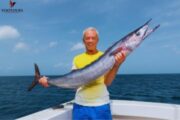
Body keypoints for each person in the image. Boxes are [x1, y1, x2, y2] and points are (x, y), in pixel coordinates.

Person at [39, 27, 126, 120]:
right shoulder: (77, 58)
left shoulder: (105, 56)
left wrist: (117, 65)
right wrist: (48, 81)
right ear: (83, 41)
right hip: (80, 106)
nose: (90, 40)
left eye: (93, 38)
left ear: (97, 40)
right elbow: (71, 81)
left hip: (101, 105)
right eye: (87, 38)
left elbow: (107, 82)